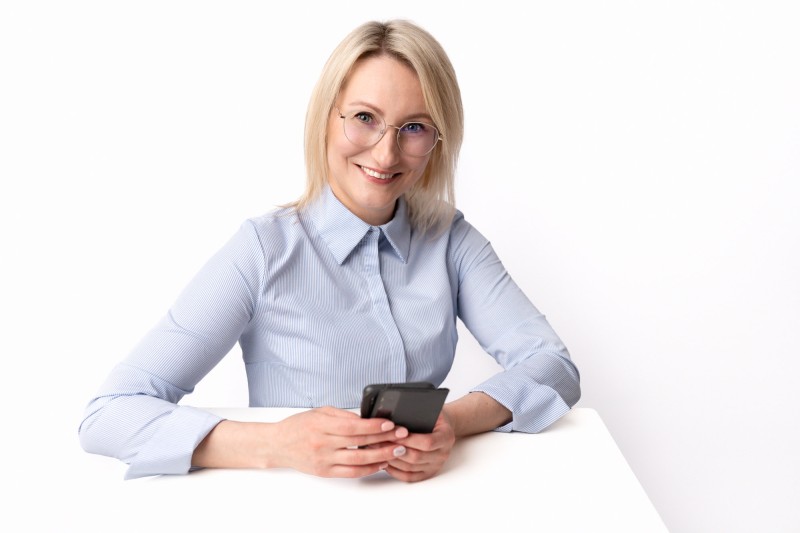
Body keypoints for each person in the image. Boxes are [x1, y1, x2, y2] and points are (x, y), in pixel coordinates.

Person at [79, 19, 581, 482]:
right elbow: (110, 414)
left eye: (414, 127)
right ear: (325, 118)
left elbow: (552, 365)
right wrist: (278, 443)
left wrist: (450, 421)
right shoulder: (263, 250)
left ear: (438, 141)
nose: (385, 153)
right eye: (364, 117)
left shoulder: (451, 240)